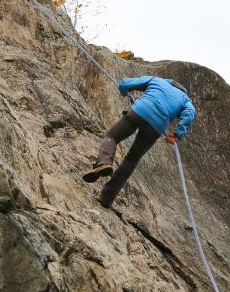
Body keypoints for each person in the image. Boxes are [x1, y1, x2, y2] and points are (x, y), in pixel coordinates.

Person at [83, 76, 196, 208]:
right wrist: (177, 135)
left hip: (139, 111)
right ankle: (106, 197)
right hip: (156, 127)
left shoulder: (157, 80)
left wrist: (125, 92)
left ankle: (104, 162)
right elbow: (190, 113)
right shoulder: (185, 100)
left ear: (170, 82)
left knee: (112, 137)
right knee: (131, 160)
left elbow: (125, 84)